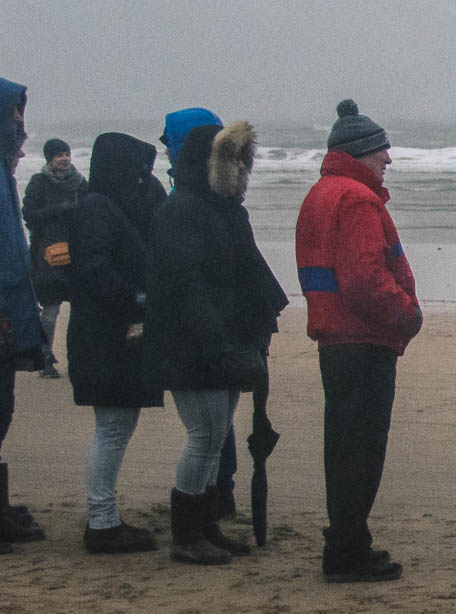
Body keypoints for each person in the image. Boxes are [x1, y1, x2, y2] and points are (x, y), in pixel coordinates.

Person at [146, 119, 287, 565]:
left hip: (225, 340)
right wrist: (218, 346)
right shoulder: (182, 210)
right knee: (204, 435)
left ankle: (205, 526)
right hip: (193, 344)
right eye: (233, 160)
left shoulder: (224, 210)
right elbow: (186, 288)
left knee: (213, 435)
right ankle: (186, 534)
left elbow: (246, 273)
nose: (241, 170)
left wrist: (259, 320)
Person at [294, 101, 421, 583]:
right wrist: (406, 315)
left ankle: (347, 541)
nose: (388, 158)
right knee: (361, 450)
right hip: (363, 339)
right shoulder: (357, 200)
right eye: (380, 150)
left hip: (337, 339)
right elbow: (366, 280)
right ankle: (347, 549)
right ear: (360, 153)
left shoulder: (322, 193)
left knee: (344, 446)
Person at [66, 133, 167, 553]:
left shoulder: (107, 206)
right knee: (112, 428)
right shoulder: (97, 210)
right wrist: (139, 299)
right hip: (104, 337)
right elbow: (94, 272)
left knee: (115, 427)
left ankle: (103, 517)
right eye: (139, 171)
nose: (144, 179)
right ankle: (102, 521)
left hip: (107, 336)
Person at [0, 78, 50, 549]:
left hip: (9, 313)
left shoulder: (5, 174)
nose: (21, 125)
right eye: (14, 115)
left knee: (3, 412)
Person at [23, 137, 84, 378]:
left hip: (78, 253)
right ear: (50, 158)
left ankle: (78, 359)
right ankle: (45, 358)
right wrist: (60, 210)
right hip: (47, 255)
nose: (65, 159)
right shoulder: (38, 182)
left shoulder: (80, 183)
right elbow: (29, 214)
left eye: (67, 153)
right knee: (49, 313)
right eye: (59, 155)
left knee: (80, 311)